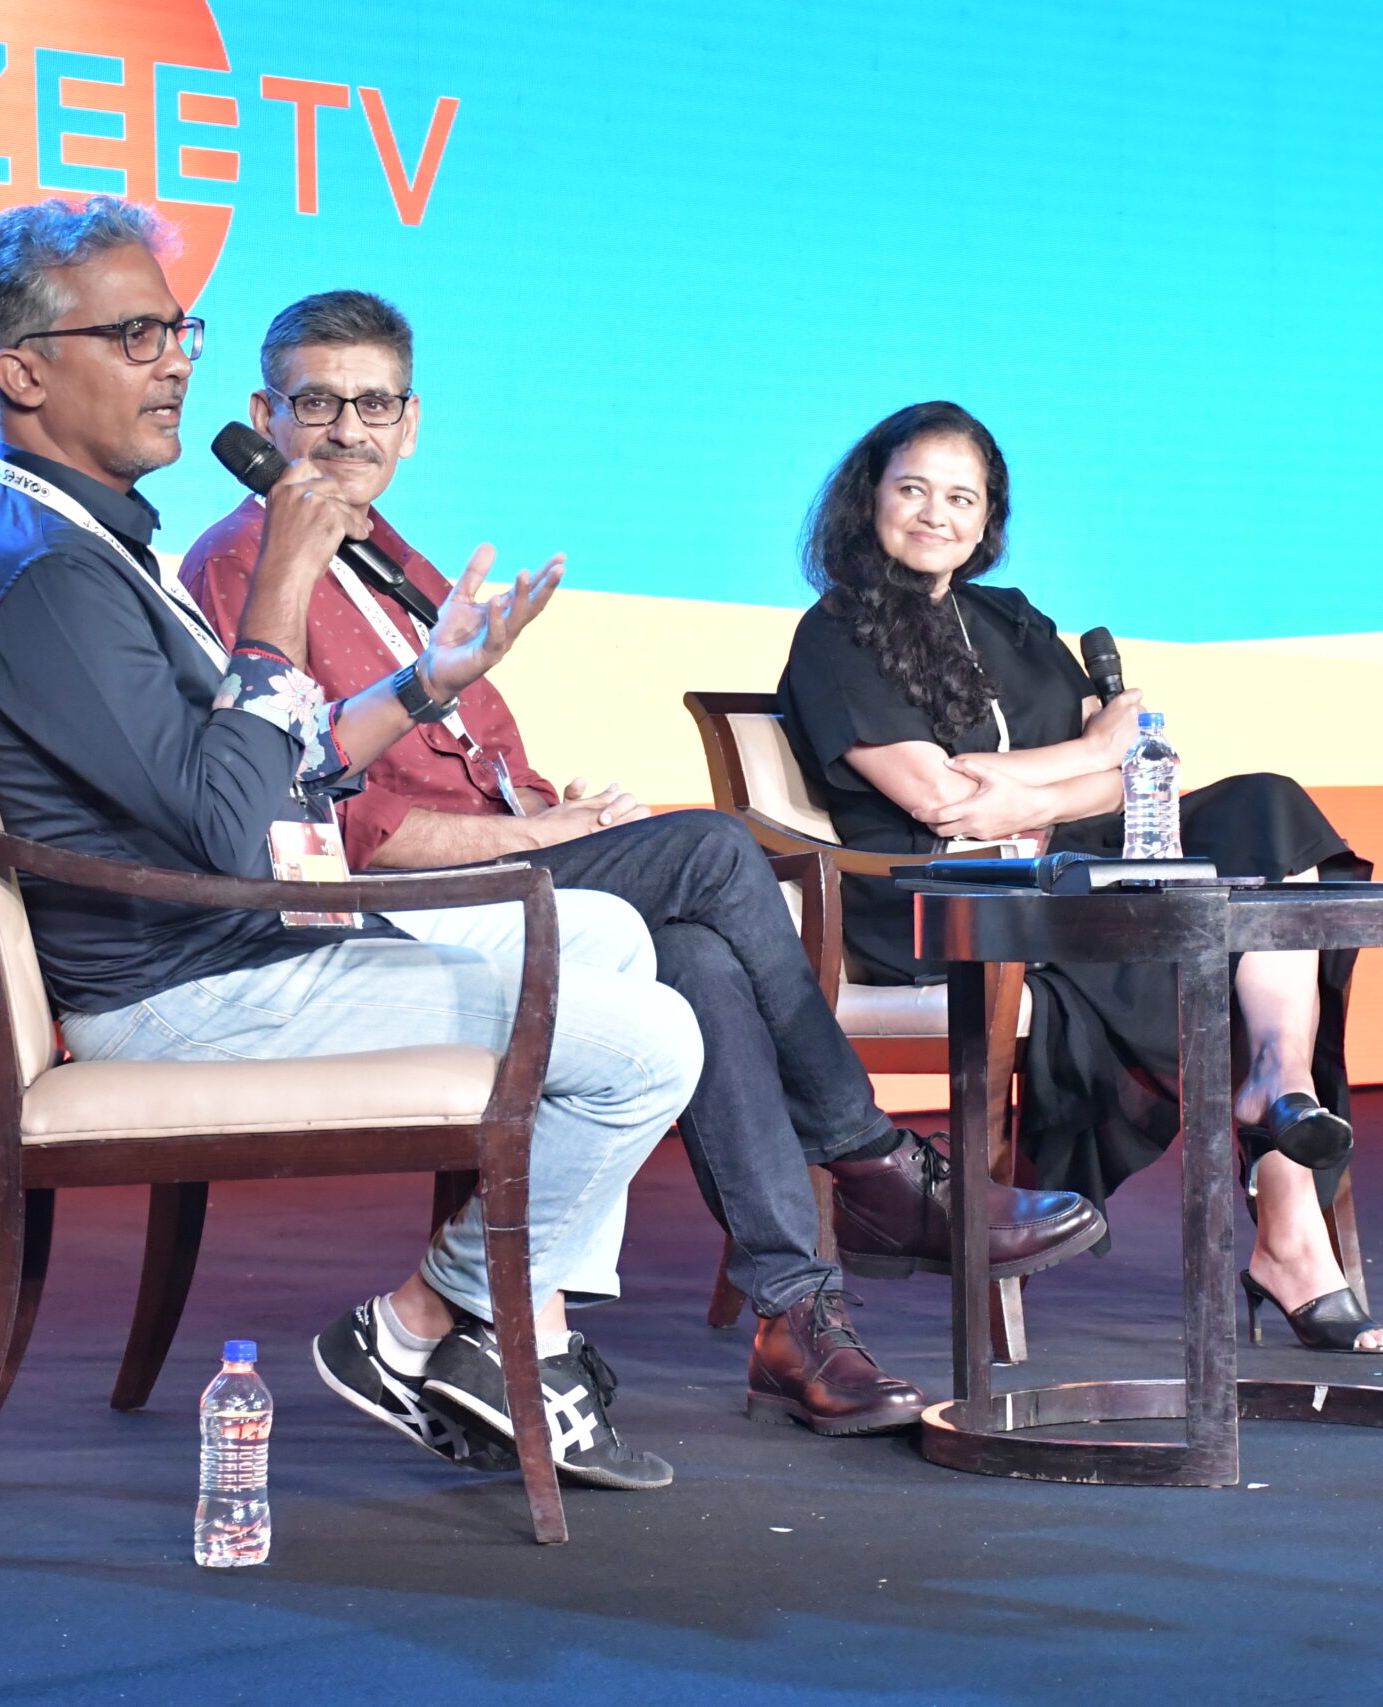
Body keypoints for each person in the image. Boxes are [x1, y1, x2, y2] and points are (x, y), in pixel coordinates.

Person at [181, 294, 1103, 1436]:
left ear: (410, 424)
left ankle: (797, 1316)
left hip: (501, 867)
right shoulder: (244, 565)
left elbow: (472, 763)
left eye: (374, 405)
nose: (347, 430)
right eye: (317, 403)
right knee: (714, 848)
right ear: (263, 413)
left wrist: (555, 807)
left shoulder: (393, 559)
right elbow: (321, 815)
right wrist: (537, 837)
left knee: (700, 959)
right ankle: (871, 1161)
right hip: (384, 907)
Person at [0, 196, 702, 1492]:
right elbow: (236, 830)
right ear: (23, 373)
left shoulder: (80, 538)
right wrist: (284, 581)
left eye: (179, 329)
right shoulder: (48, 574)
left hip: (231, 943)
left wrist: (423, 686)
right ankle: (428, 1325)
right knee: (652, 1043)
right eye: (133, 334)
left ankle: (488, 1331)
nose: (174, 362)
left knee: (608, 929)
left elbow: (251, 770)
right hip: (187, 989)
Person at [776, 401, 1383, 1354]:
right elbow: (938, 800)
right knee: (1217, 946)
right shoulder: (835, 635)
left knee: (1265, 813)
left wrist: (1028, 790)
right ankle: (1293, 1240)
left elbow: (1138, 778)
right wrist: (1085, 754)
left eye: (961, 498)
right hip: (940, 902)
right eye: (913, 490)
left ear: (988, 519)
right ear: (870, 500)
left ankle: (1280, 1085)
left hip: (1068, 870)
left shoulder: (1013, 620)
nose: (936, 514)